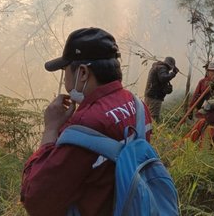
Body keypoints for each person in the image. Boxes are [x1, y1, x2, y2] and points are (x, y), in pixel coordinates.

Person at [21, 27, 153, 216]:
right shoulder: (138, 105)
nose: (64, 77)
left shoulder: (85, 125)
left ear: (82, 73)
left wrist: (50, 129)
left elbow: (37, 200)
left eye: (65, 70)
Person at [144, 56, 179, 121]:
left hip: (150, 95)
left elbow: (160, 82)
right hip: (155, 98)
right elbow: (163, 78)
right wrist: (173, 73)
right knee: (154, 118)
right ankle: (152, 131)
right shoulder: (162, 68)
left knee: (146, 117)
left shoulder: (158, 67)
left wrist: (167, 88)